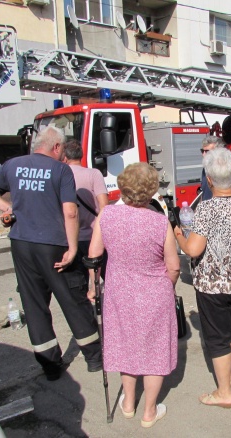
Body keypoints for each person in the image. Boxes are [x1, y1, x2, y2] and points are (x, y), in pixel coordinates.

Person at [0, 126, 102, 381]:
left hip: (22, 243)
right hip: (54, 245)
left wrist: (7, 207)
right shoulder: (60, 170)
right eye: (61, 149)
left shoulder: (13, 165)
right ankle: (94, 358)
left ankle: (50, 365)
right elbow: (70, 212)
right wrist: (73, 247)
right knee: (72, 298)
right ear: (56, 147)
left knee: (34, 304)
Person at [88, 162, 180, 428]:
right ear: (151, 191)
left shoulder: (106, 216)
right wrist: (167, 286)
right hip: (154, 292)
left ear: (122, 187)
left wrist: (93, 287)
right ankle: (149, 411)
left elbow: (94, 257)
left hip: (120, 293)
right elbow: (173, 266)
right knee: (154, 351)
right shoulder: (159, 222)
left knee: (125, 344)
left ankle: (128, 403)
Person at [175, 147, 231, 409]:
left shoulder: (206, 209)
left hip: (213, 287)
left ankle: (224, 392)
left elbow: (193, 249)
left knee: (217, 337)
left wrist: (179, 234)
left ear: (209, 180)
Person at [60, 139, 108, 287]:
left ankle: (85, 306)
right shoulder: (94, 174)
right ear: (81, 156)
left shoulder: (60, 175)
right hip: (95, 236)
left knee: (78, 284)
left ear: (65, 158)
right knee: (100, 277)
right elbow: (104, 207)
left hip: (70, 238)